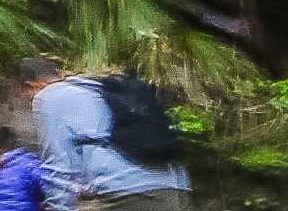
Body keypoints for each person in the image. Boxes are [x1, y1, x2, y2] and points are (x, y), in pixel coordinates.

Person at [22, 67, 191, 203]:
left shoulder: (49, 97)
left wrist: (59, 206)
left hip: (129, 194)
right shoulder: (97, 88)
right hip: (175, 186)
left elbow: (57, 165)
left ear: (32, 85)